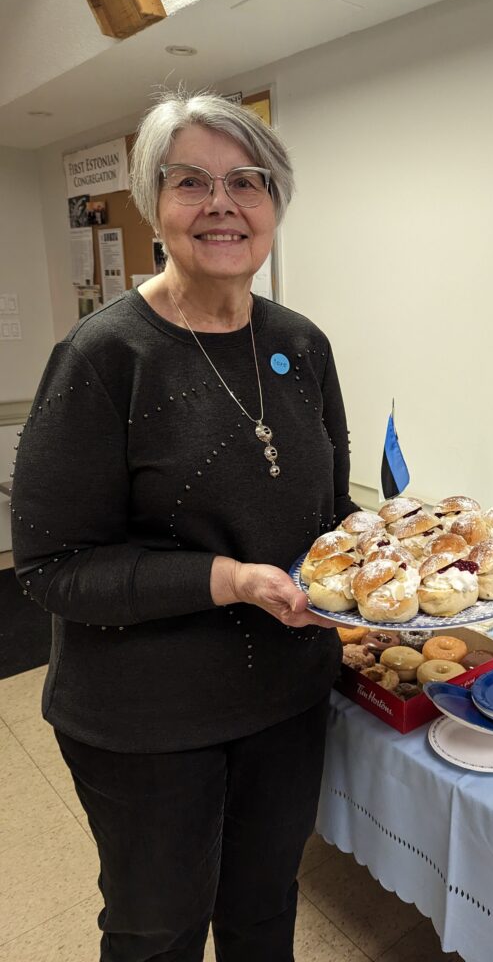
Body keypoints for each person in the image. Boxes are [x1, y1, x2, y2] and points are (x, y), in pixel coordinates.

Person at [11, 90, 358, 962]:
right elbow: (53, 568)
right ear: (152, 202)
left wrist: (400, 558)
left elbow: (330, 517)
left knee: (261, 913)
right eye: (190, 182)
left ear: (275, 204)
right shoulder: (104, 356)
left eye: (248, 181)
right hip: (144, 717)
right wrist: (230, 579)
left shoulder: (302, 345)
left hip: (285, 696)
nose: (222, 205)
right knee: (156, 930)